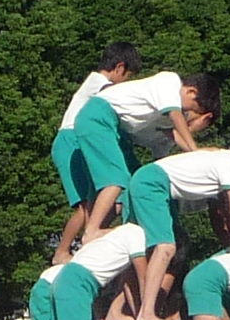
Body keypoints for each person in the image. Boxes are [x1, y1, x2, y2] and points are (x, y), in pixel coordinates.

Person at [126, 149, 230, 320]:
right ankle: (146, 314)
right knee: (165, 247)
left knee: (137, 249)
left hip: (150, 182)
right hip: (153, 184)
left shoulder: (226, 162)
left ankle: (118, 314)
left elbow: (227, 212)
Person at [75, 72, 219, 241]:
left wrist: (196, 154)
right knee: (116, 180)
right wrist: (194, 149)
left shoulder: (164, 112)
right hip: (99, 116)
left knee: (131, 183)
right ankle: (92, 230)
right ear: (191, 92)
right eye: (191, 110)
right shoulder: (170, 82)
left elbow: (171, 134)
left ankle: (117, 226)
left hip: (114, 128)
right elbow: (175, 116)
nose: (186, 113)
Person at [49, 43, 140, 265]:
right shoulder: (100, 84)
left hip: (78, 140)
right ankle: (62, 251)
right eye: (128, 76)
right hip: (71, 141)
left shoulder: (96, 83)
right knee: (85, 206)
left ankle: (86, 246)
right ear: (119, 68)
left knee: (96, 201)